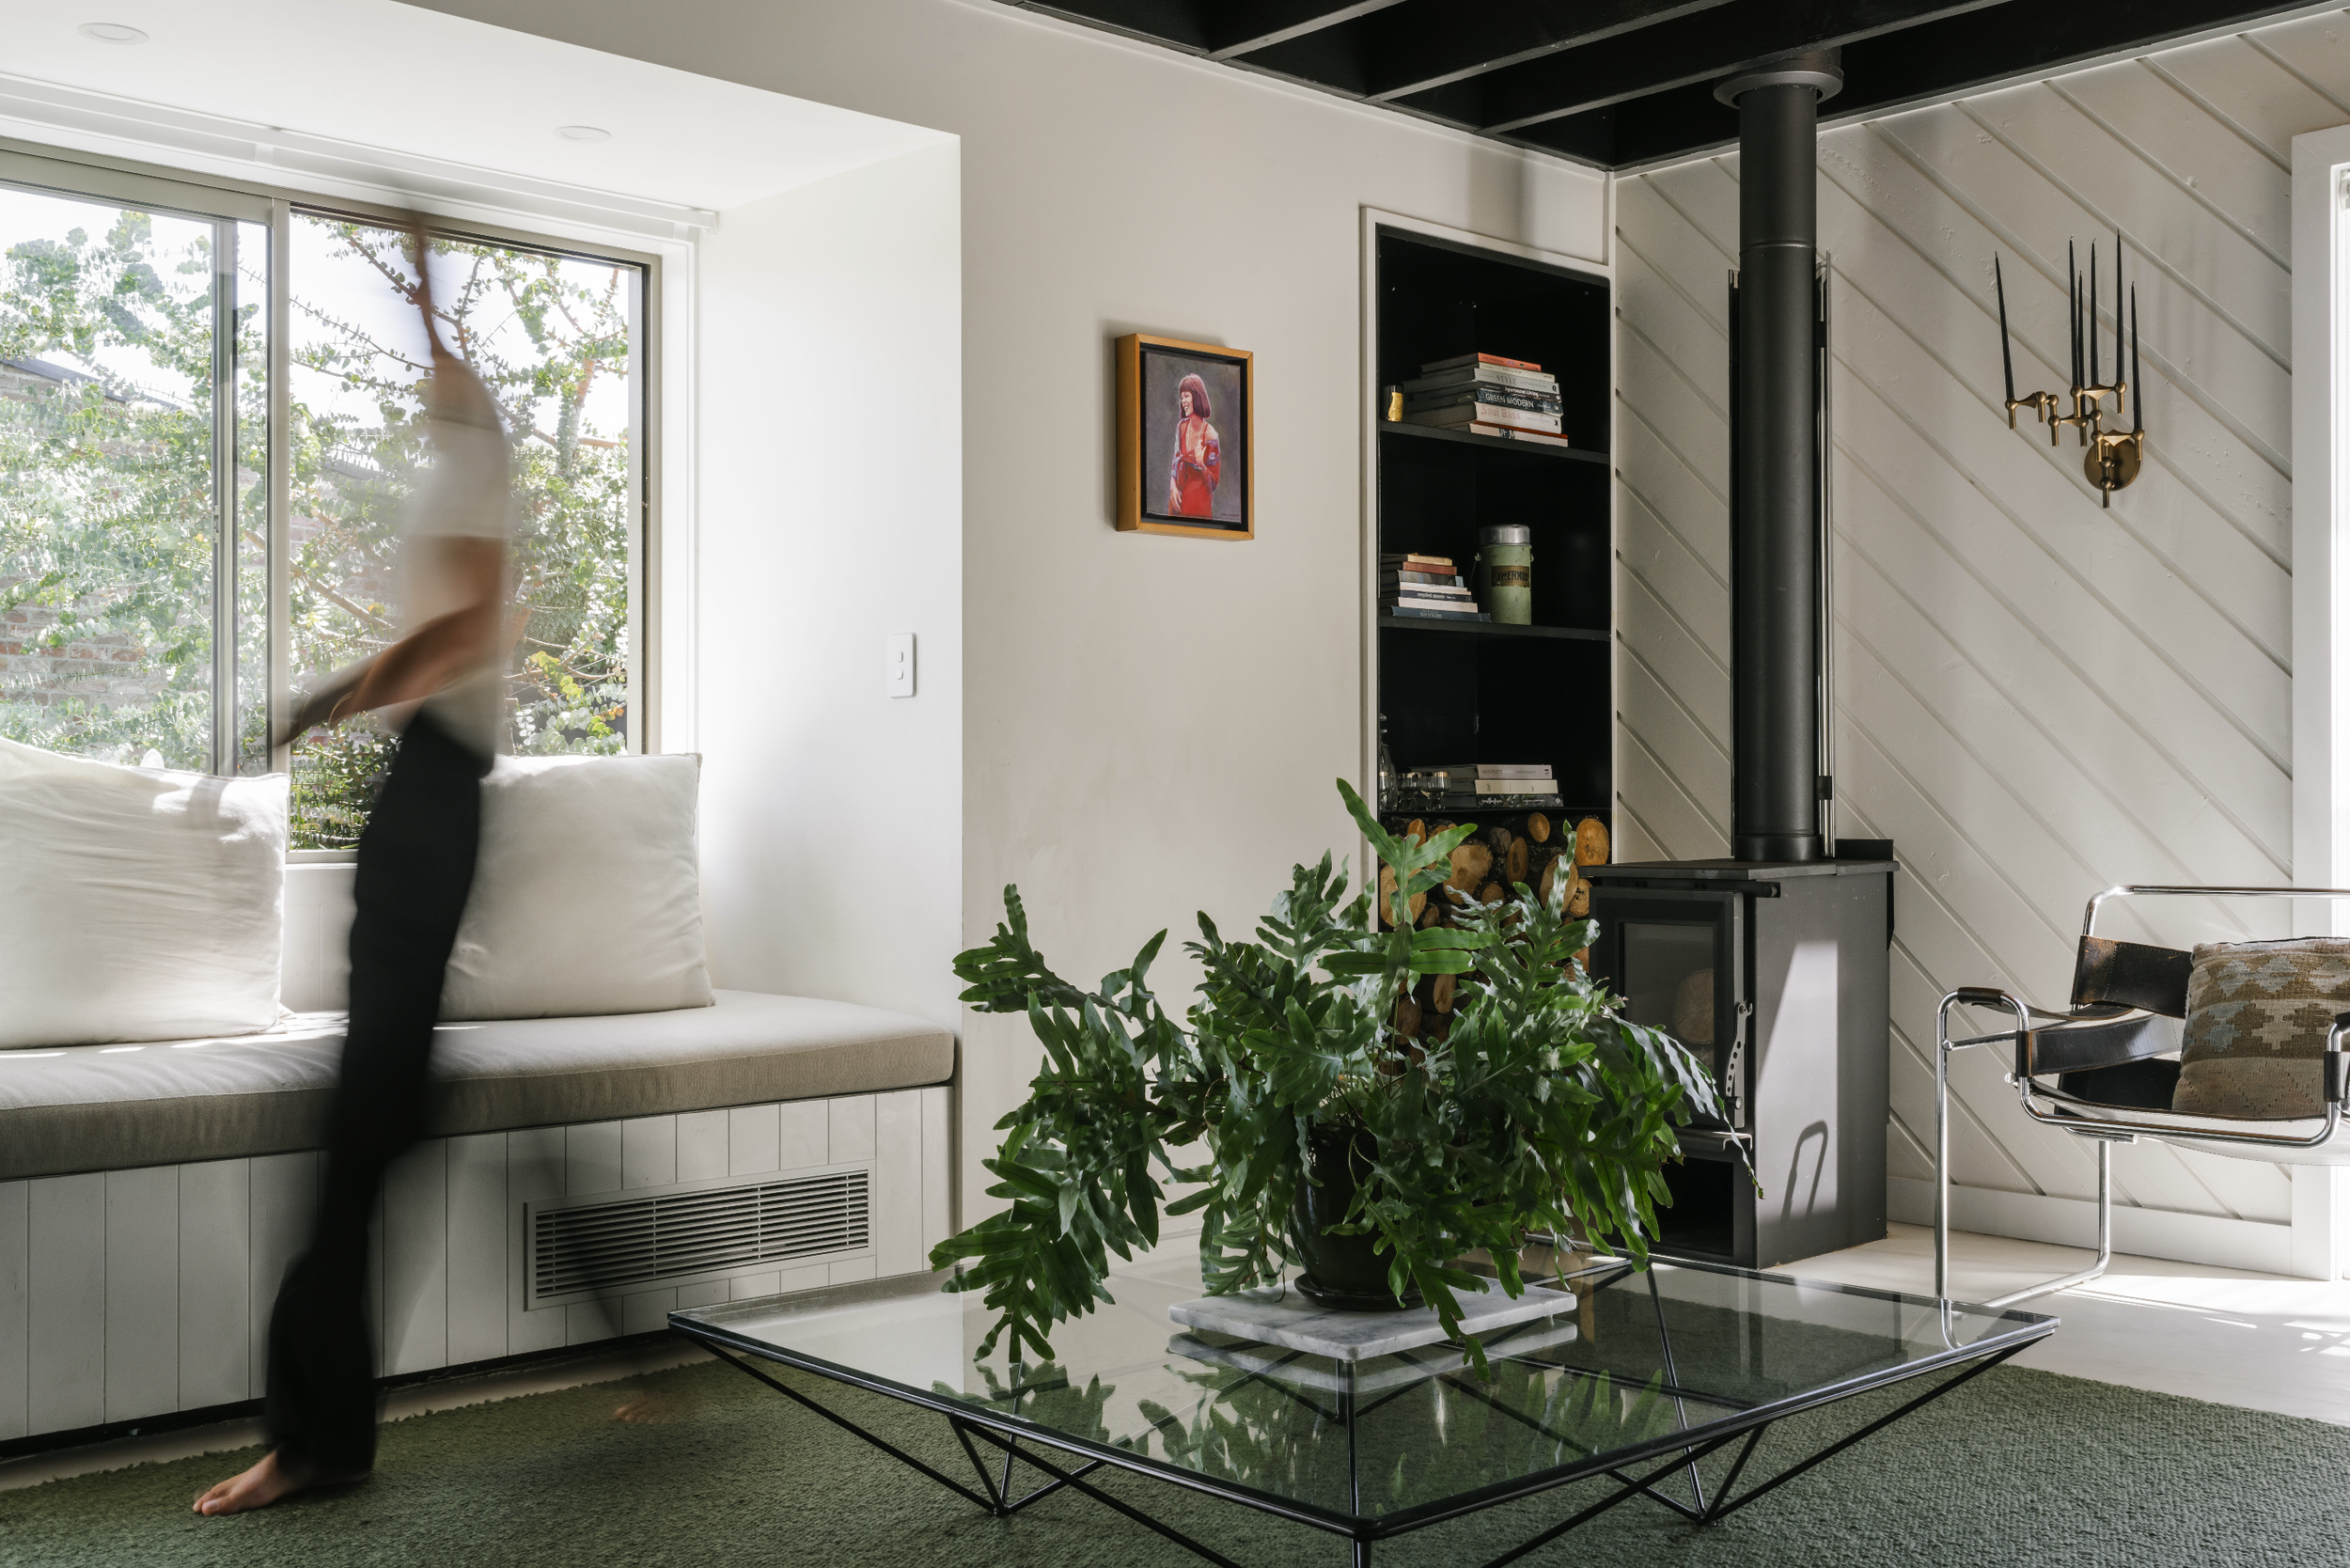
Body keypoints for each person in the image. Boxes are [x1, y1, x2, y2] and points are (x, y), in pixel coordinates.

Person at [196, 230, 514, 1516]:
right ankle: (326, 1435)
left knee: (359, 1139)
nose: (421, 368)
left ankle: (314, 1440)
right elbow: (443, 356)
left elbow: (472, 626)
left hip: (431, 797)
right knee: (376, 1127)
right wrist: (420, 270)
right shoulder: (461, 455)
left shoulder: (479, 467)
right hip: (425, 797)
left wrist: (325, 698)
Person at [1167, 371, 1221, 518]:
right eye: (1181, 397)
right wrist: (1173, 487)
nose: (1183, 401)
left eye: (1187, 396)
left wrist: (1201, 464)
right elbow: (1175, 461)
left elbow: (1214, 483)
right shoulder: (1181, 427)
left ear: (1197, 397)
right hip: (1178, 501)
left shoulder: (1210, 436)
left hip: (1199, 505)